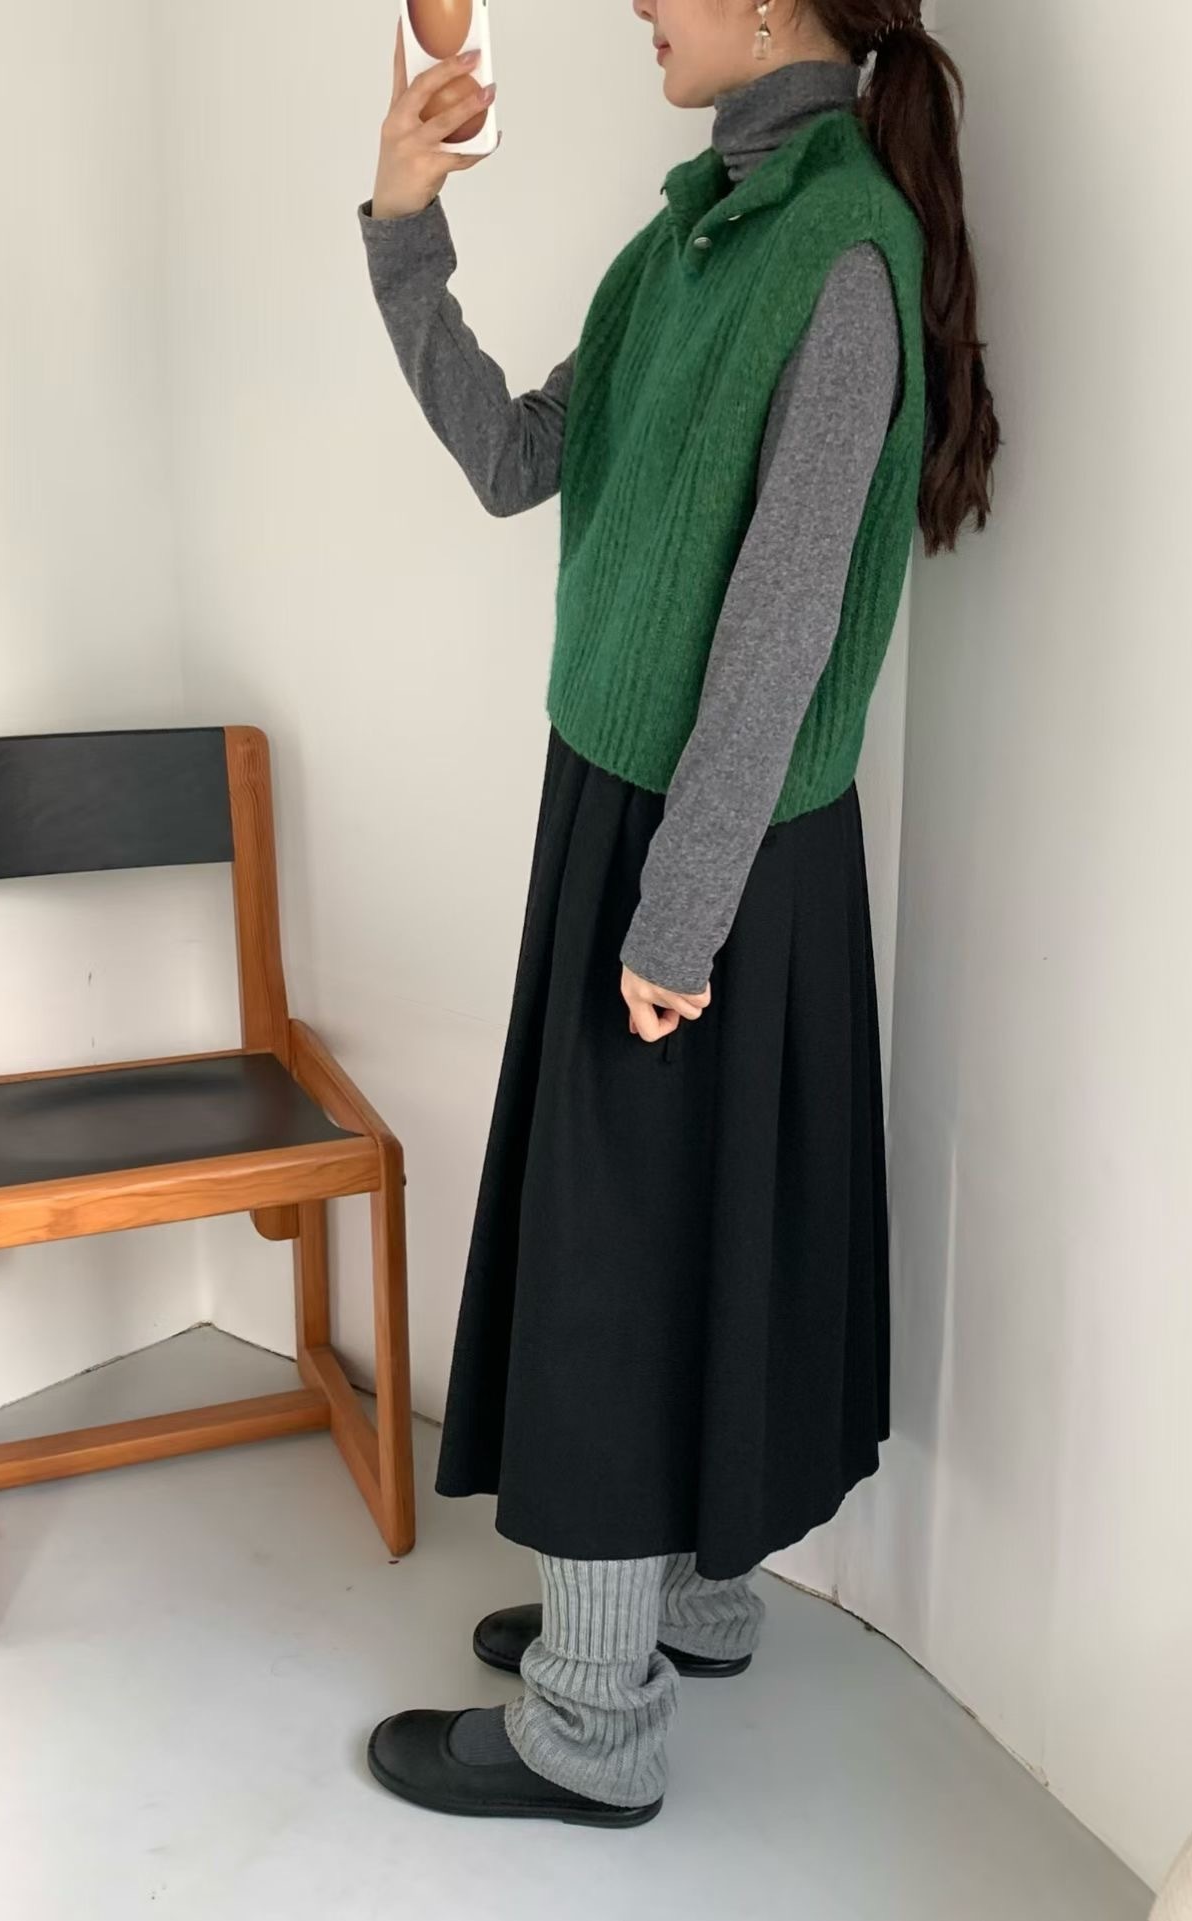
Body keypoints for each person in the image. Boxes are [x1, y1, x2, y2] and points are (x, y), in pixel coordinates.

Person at [358, 0, 998, 1828]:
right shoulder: (699, 232)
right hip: (648, 811)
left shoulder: (839, 256)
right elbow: (520, 455)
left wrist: (675, 917)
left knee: (614, 1267)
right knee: (693, 1233)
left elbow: (780, 635)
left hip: (709, 842)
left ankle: (591, 1719)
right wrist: (404, 228)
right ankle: (684, 1605)